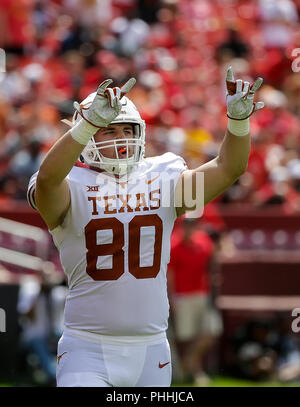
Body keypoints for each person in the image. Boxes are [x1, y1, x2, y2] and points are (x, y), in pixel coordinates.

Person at [27, 68, 264, 387]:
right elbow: (46, 179)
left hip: (151, 349)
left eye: (127, 129)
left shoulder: (161, 178)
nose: (121, 138)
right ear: (86, 132)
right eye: (109, 130)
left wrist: (238, 123)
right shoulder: (70, 184)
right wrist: (87, 124)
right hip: (88, 347)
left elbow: (228, 168)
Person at [168, 217, 223, 386]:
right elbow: (170, 275)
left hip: (202, 293)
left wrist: (214, 275)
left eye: (192, 223)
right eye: (187, 223)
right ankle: (195, 372)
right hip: (183, 296)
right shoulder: (174, 244)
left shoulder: (203, 240)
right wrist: (172, 298)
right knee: (188, 336)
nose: (189, 227)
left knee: (212, 331)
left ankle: (187, 364)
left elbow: (212, 258)